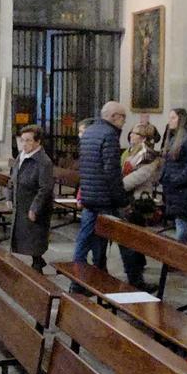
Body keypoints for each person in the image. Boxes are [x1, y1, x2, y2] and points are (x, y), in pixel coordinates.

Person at [73, 102, 128, 270]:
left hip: (90, 196)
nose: (124, 122)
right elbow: (111, 171)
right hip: (105, 198)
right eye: (122, 117)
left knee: (87, 237)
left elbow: (85, 166)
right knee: (125, 239)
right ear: (113, 116)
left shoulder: (89, 132)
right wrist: (122, 200)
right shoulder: (109, 135)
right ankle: (134, 278)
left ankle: (86, 274)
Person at [120, 122, 162, 291]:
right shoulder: (129, 152)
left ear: (144, 138)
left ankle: (137, 278)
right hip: (127, 199)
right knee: (133, 239)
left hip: (138, 200)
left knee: (134, 239)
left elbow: (139, 176)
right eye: (131, 133)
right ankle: (136, 272)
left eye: (135, 134)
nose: (131, 135)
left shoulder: (148, 156)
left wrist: (117, 186)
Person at [10, 125, 54, 271]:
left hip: (33, 204)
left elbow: (45, 188)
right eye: (22, 140)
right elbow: (13, 177)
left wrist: (35, 208)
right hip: (21, 202)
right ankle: (37, 260)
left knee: (35, 236)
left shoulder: (43, 161)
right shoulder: (21, 156)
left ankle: (37, 269)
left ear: (38, 142)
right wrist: (9, 195)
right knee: (25, 236)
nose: (24, 144)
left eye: (28, 140)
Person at [161, 108, 187, 244]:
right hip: (175, 187)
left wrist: (178, 180)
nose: (169, 121)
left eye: (173, 118)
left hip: (185, 188)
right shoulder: (175, 137)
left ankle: (179, 254)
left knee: (181, 222)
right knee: (182, 221)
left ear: (181, 119)